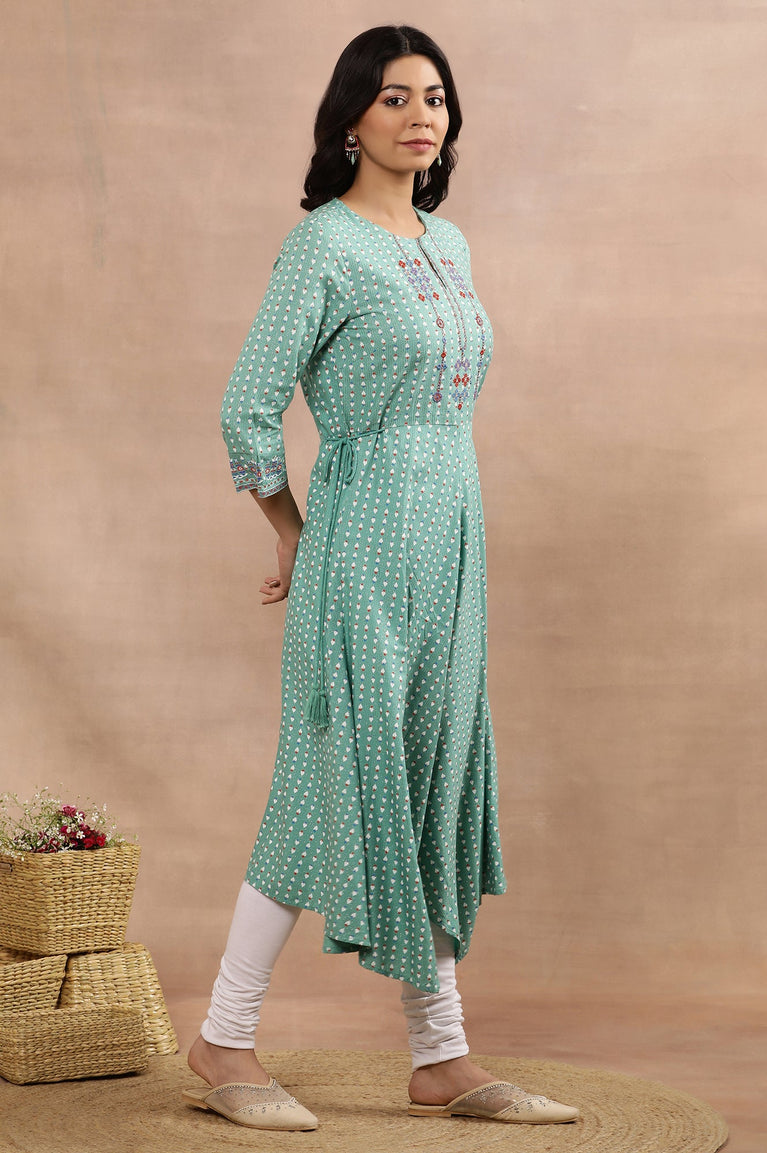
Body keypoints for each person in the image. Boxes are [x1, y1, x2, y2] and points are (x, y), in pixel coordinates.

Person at [183, 24, 579, 1131]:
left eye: (434, 98)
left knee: (430, 776)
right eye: (395, 96)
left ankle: (440, 1055)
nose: (419, 116)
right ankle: (222, 1036)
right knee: (329, 784)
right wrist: (292, 533)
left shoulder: (447, 244)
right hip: (359, 546)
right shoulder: (321, 246)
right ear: (351, 117)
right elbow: (247, 406)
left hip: (451, 540)